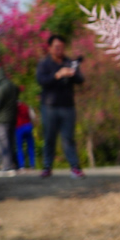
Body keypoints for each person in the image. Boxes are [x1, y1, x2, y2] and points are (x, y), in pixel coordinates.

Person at [36, 34, 85, 178]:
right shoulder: (44, 64)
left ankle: (75, 167)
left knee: (68, 138)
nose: (59, 50)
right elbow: (41, 81)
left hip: (68, 106)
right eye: (56, 47)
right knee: (49, 137)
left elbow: (81, 80)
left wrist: (72, 74)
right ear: (50, 48)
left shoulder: (69, 62)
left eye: (62, 47)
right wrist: (57, 75)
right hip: (49, 106)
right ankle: (47, 166)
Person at [0, 65, 20, 174]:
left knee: (3, 144)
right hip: (11, 117)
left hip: (1, 119)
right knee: (10, 143)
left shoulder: (0, 87)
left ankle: (6, 166)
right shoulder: (11, 85)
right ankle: (11, 165)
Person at [15, 99, 36, 171]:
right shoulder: (27, 107)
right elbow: (33, 117)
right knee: (30, 147)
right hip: (28, 126)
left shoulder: (14, 108)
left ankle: (21, 165)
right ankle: (32, 164)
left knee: (19, 147)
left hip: (19, 128)